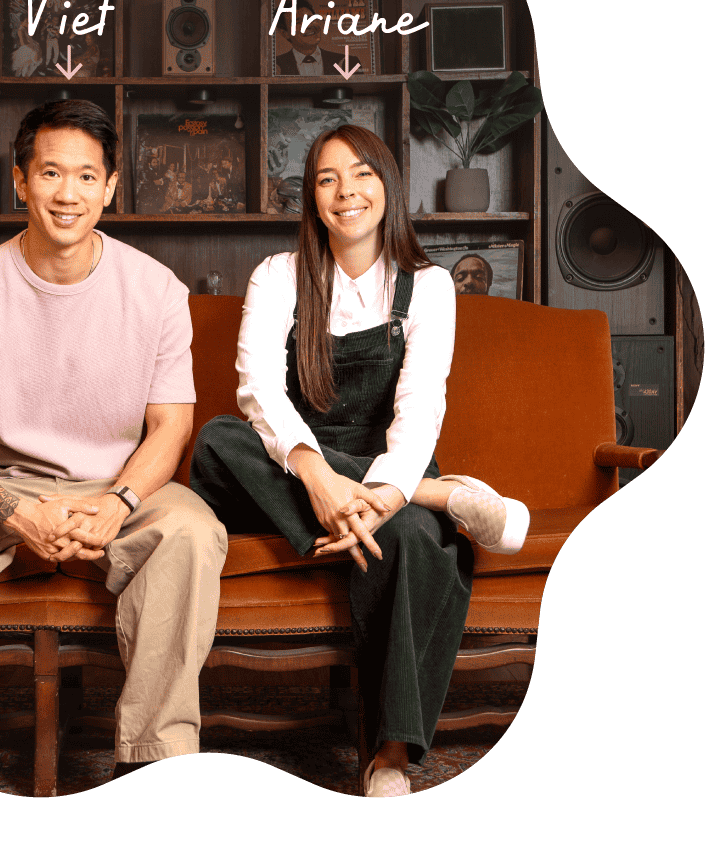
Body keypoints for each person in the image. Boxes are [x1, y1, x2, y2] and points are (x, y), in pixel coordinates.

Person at [0, 100, 228, 782]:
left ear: (111, 187)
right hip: (4, 485)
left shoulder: (156, 291)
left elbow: (172, 426)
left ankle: (151, 766)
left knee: (190, 531)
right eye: (52, 173)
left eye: (87, 177)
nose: (69, 194)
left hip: (123, 482)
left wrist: (121, 500)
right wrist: (13, 510)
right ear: (21, 181)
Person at [189, 124, 528, 798]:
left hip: (387, 467)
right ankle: (444, 496)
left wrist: (390, 492)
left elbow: (420, 405)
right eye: (326, 179)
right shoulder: (278, 276)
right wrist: (317, 476)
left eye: (362, 174)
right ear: (312, 199)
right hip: (288, 465)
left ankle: (391, 754)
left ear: (388, 186)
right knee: (217, 440)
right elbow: (258, 391)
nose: (346, 192)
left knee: (407, 537)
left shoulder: (428, 286)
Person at [274, 0, 362, 76]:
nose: (309, 25)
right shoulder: (274, 67)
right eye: (298, 22)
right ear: (285, 33)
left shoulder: (347, 63)